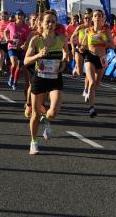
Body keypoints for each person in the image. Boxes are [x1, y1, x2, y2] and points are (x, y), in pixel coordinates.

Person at [23, 10, 68, 155]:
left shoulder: (61, 38)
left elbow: (66, 53)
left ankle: (46, 119)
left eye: (53, 21)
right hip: (40, 78)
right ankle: (33, 142)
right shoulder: (36, 40)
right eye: (47, 21)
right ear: (41, 24)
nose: (50, 24)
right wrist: (38, 55)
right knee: (35, 114)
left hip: (55, 78)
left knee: (53, 112)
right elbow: (26, 61)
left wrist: (64, 62)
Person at [80, 9, 114, 117]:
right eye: (95, 15)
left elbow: (113, 45)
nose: (97, 17)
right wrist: (80, 48)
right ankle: (91, 108)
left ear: (103, 19)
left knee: (97, 83)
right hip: (90, 56)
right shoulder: (88, 31)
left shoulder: (106, 30)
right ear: (92, 18)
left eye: (99, 15)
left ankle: (89, 92)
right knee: (92, 81)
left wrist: (105, 42)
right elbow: (84, 45)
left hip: (102, 58)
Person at [5, 10, 31, 90]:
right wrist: (7, 39)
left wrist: (24, 44)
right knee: (15, 63)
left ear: (24, 17)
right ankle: (12, 77)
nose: (20, 16)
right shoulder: (11, 24)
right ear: (15, 16)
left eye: (21, 15)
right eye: (18, 15)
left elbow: (27, 39)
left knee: (19, 67)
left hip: (20, 49)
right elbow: (5, 31)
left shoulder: (26, 27)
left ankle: (15, 82)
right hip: (11, 47)